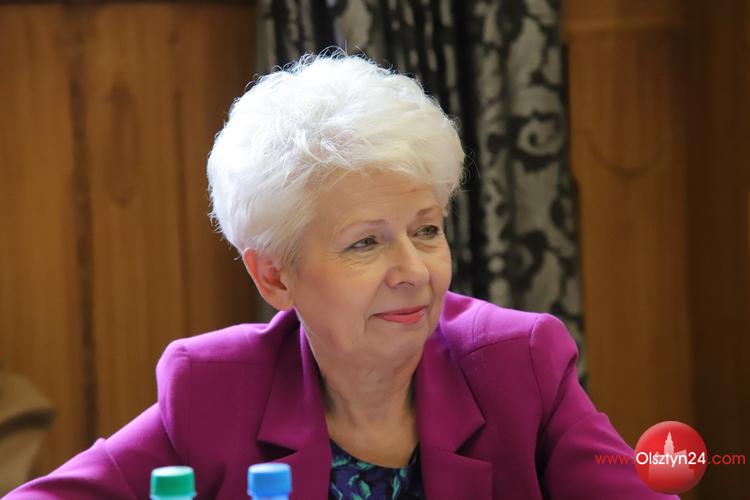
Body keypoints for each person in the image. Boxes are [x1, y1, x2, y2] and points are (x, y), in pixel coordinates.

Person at [5, 53, 678, 499]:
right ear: (275, 277)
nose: (413, 271)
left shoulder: (520, 365)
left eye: (426, 230)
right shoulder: (214, 391)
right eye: (365, 243)